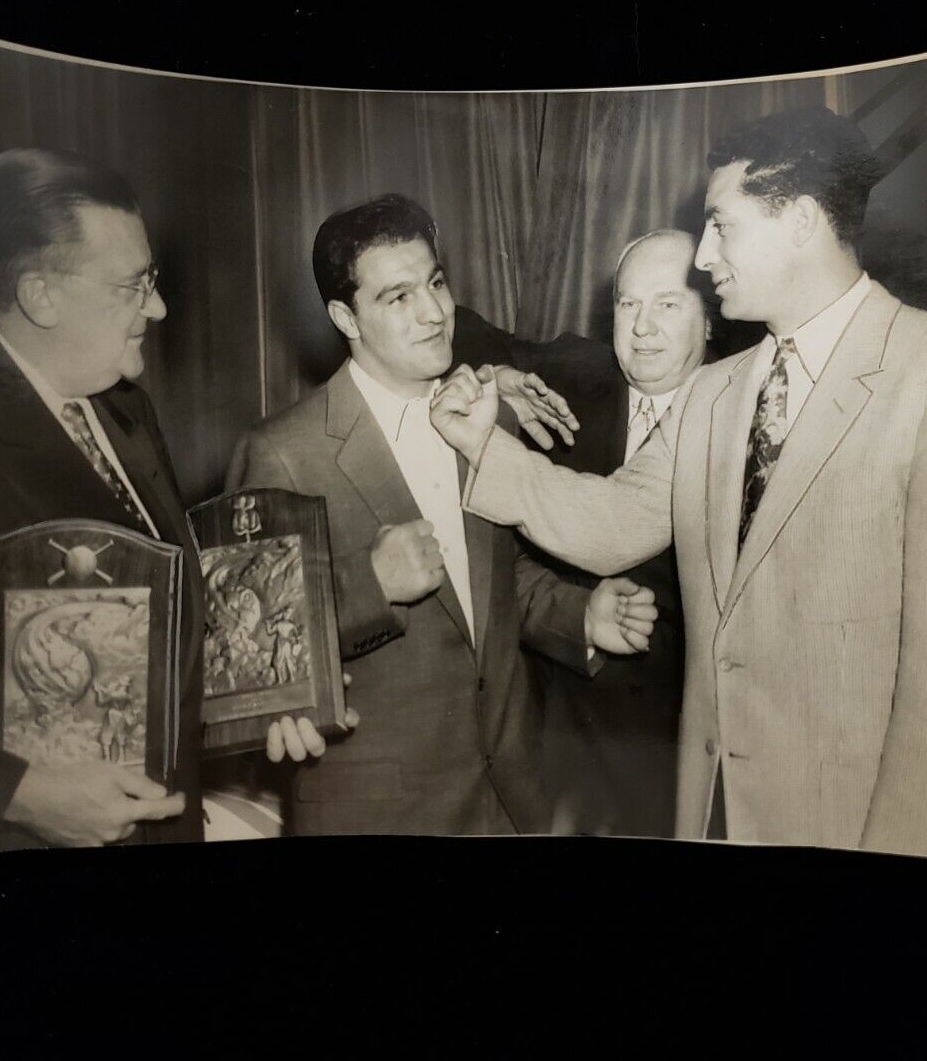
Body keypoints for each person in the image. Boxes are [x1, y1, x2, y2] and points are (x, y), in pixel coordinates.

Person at [431, 106, 927, 862]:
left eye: (722, 225)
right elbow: (611, 522)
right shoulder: (712, 394)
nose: (703, 256)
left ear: (799, 220)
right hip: (713, 817)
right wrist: (479, 446)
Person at [0, 147, 338, 861]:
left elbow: (170, 630)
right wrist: (18, 794)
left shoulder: (124, 407)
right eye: (133, 286)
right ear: (42, 295)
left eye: (154, 279)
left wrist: (269, 703)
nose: (159, 307)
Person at [225, 193, 657, 835]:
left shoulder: (487, 417)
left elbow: (498, 583)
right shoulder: (282, 453)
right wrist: (371, 584)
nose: (434, 313)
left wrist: (581, 616)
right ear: (345, 316)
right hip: (378, 814)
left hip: (510, 798)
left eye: (435, 282)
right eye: (398, 298)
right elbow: (243, 655)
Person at [522, 229, 710, 838]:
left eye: (669, 304)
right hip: (565, 727)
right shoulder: (563, 387)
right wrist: (497, 377)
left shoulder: (746, 410)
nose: (644, 327)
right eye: (629, 304)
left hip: (689, 741)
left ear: (711, 322)